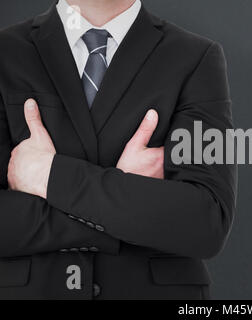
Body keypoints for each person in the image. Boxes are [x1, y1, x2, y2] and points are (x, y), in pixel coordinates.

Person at [0, 0, 236, 300]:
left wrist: (49, 175)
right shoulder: (6, 52)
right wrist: (126, 196)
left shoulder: (195, 58)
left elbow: (206, 222)